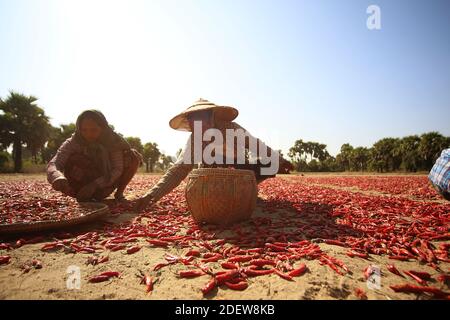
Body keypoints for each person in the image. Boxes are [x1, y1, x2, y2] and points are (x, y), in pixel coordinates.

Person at [136, 98, 293, 211]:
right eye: (192, 119)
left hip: (239, 170)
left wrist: (280, 160)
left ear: (211, 117)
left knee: (269, 164)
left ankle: (245, 187)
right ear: (190, 123)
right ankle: (231, 191)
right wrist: (151, 196)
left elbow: (257, 146)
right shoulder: (194, 139)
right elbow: (179, 169)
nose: (196, 123)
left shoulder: (232, 128)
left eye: (201, 117)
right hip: (211, 178)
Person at [47, 110, 142, 202]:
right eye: (84, 130)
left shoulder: (112, 141)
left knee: (133, 157)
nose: (88, 134)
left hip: (104, 185)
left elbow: (117, 169)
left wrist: (94, 185)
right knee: (76, 159)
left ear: (103, 128)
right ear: (79, 129)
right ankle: (79, 194)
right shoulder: (74, 141)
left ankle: (119, 193)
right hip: (77, 186)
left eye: (94, 130)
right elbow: (55, 162)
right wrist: (56, 176)